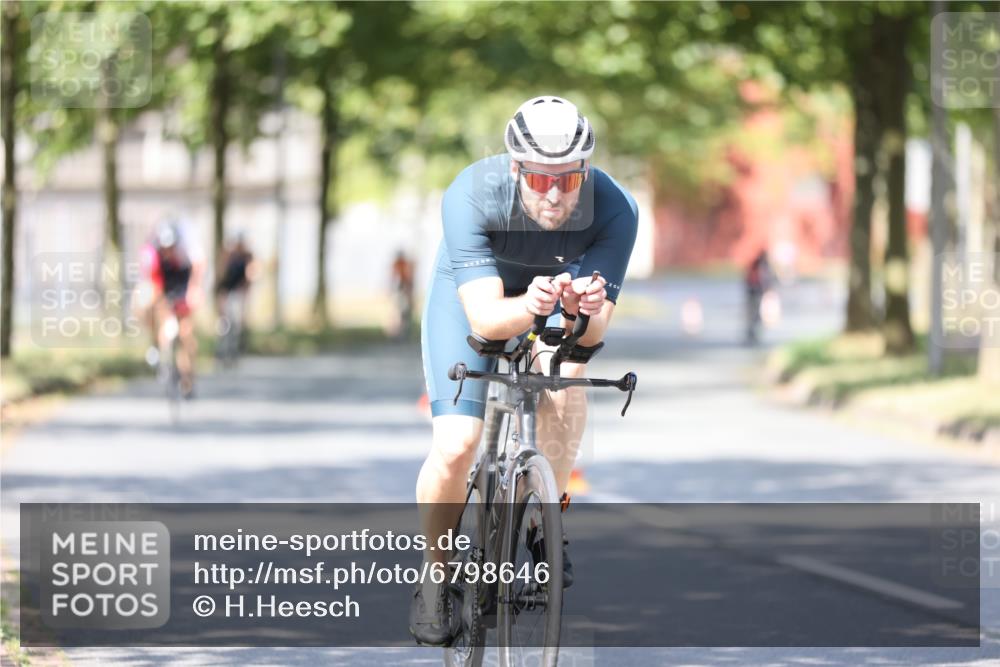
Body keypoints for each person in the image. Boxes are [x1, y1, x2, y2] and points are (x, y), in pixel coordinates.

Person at [410, 96, 638, 645]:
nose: (556, 195)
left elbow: (591, 335)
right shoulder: (471, 193)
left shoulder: (616, 208)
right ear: (515, 169)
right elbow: (488, 320)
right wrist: (534, 305)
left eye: (569, 179)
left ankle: (544, 518)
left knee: (564, 381)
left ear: (586, 169)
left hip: (552, 300)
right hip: (477, 298)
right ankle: (437, 576)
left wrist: (579, 311)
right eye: (539, 182)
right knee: (457, 443)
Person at [138, 218, 205, 398]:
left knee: (186, 335)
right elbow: (154, 283)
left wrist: (194, 292)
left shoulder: (187, 253)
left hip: (183, 287)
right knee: (147, 304)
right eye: (164, 248)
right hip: (163, 288)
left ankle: (188, 379)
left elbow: (196, 274)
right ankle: (159, 350)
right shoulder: (153, 256)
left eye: (171, 247)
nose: (168, 251)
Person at [215, 232, 256, 355]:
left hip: (239, 292)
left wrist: (246, 292)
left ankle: (236, 346)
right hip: (227, 291)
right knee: (224, 320)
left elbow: (250, 276)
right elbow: (222, 279)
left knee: (237, 320)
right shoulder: (229, 256)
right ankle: (221, 347)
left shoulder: (247, 257)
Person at [744, 249, 772, 344]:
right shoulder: (759, 265)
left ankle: (753, 332)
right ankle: (752, 332)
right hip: (755, 291)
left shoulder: (758, 265)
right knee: (754, 313)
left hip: (754, 291)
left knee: (754, 313)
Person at [390, 250, 415, 340]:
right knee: (400, 314)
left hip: (401, 292)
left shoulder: (401, 265)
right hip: (400, 292)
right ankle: (398, 334)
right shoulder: (399, 265)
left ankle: (400, 334)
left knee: (402, 314)